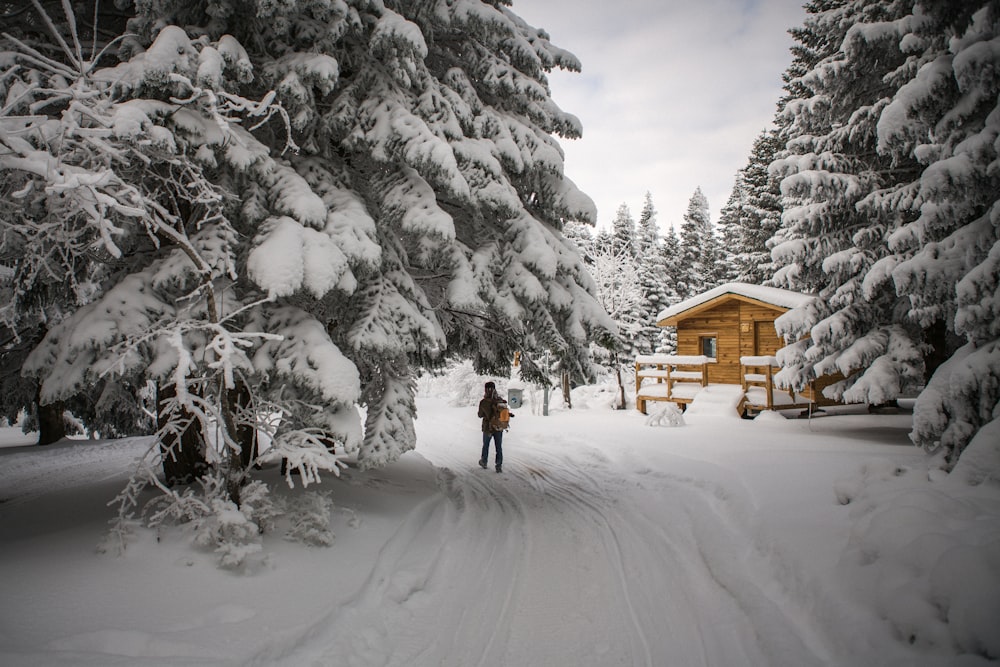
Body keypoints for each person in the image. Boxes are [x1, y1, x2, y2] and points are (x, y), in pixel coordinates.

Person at [478, 381, 509, 473]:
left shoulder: (483, 402)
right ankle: (498, 465)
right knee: (498, 446)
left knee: (486, 445)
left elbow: (480, 415)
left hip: (488, 427)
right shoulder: (500, 400)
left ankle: (484, 461)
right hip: (498, 427)